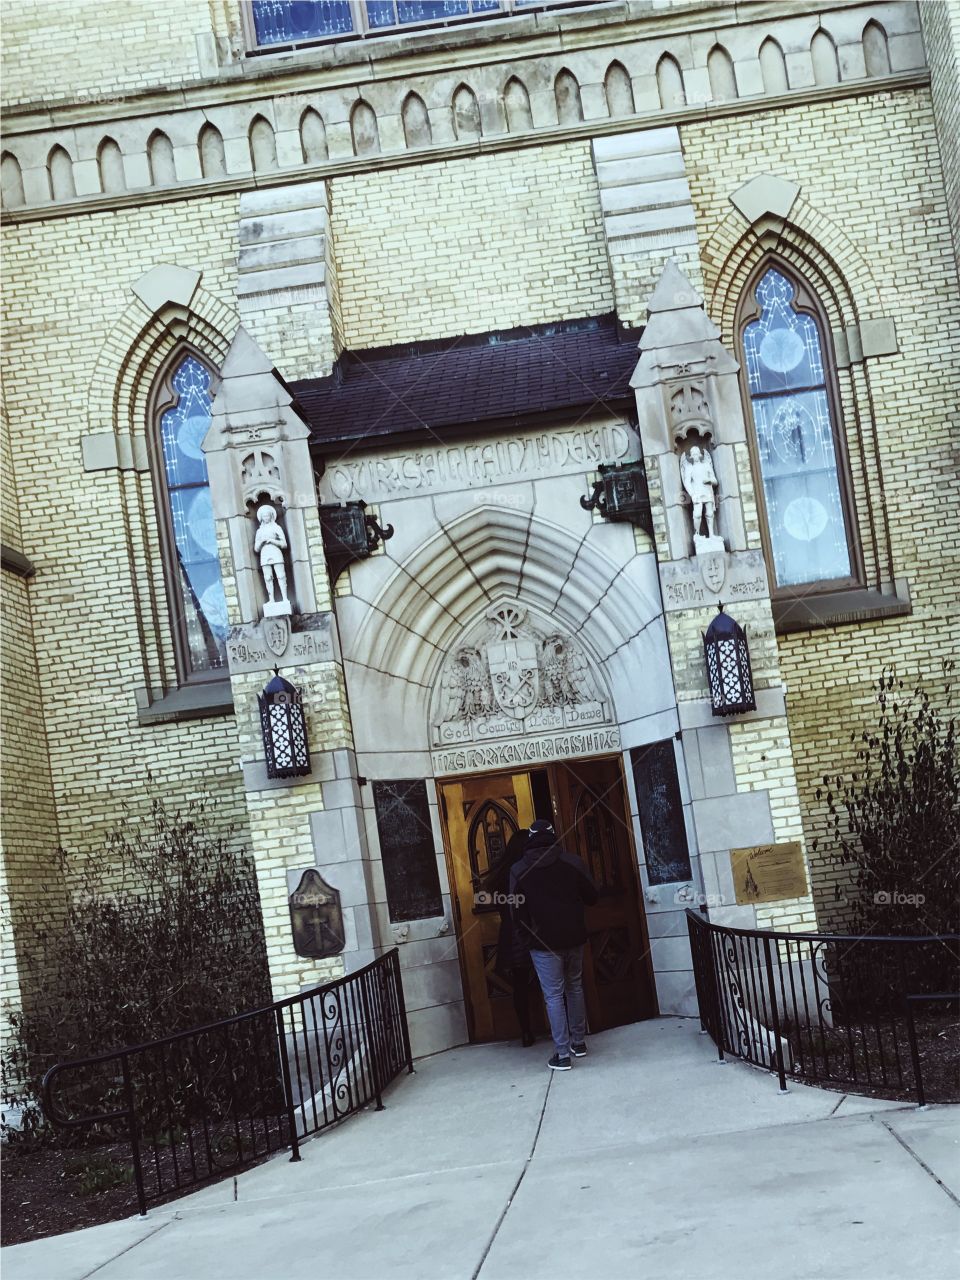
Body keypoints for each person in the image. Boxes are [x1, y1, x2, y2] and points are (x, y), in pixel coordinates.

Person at [509, 818, 598, 1071]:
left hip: (542, 942)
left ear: (530, 838)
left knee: (553, 996)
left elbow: (516, 911)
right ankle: (578, 1042)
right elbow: (593, 895)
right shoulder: (573, 862)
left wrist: (528, 939)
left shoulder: (518, 869)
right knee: (574, 987)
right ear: (553, 835)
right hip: (573, 936)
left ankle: (562, 1054)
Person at [482, 829, 537, 1047]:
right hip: (533, 932)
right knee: (550, 981)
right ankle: (558, 1027)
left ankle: (526, 1032)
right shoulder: (527, 871)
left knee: (520, 986)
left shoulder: (501, 876)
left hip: (511, 935)